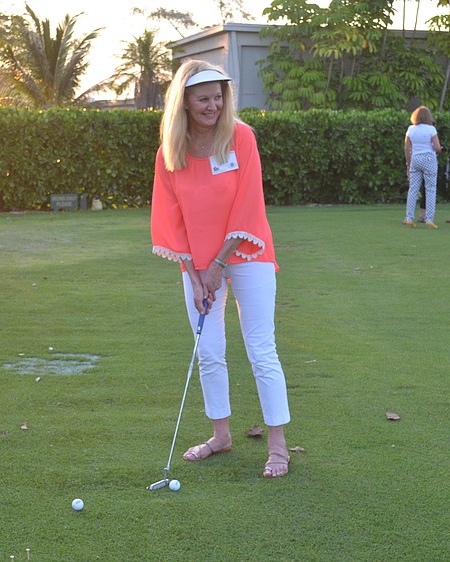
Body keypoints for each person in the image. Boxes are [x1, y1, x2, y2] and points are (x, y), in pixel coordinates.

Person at [151, 60, 291, 478]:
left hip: (247, 255)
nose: (213, 105)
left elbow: (248, 206)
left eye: (218, 97)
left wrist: (217, 264)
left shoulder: (241, 137)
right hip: (197, 266)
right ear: (185, 102)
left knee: (260, 349)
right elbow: (170, 219)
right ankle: (221, 435)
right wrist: (195, 275)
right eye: (203, 98)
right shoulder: (170, 152)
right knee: (208, 351)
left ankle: (278, 445)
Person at [404, 106, 442, 228]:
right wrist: (439, 150)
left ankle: (409, 217)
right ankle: (429, 218)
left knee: (413, 189)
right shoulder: (431, 129)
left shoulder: (411, 129)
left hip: (415, 159)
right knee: (430, 189)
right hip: (429, 159)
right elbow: (437, 147)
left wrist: (408, 164)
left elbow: (407, 148)